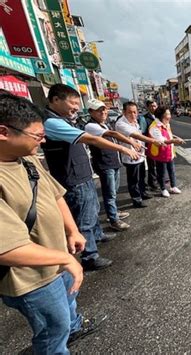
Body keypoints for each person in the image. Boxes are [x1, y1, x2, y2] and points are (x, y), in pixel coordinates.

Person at [0, 93, 101, 353]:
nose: (43, 141)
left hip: (58, 256)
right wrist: (65, 260)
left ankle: (74, 327)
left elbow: (54, 194)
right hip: (31, 276)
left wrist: (72, 229)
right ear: (4, 132)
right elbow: (7, 249)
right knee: (53, 330)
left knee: (68, 306)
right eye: (37, 135)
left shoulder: (27, 157)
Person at [42, 84, 140, 271]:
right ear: (55, 100)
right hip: (73, 177)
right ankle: (89, 256)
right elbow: (92, 139)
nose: (76, 108)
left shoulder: (63, 119)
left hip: (82, 174)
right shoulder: (52, 123)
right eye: (72, 103)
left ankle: (97, 234)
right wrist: (123, 147)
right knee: (84, 218)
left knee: (93, 208)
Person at [85, 99, 142, 231]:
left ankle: (114, 212)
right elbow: (113, 134)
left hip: (113, 162)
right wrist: (131, 144)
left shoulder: (104, 124)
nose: (103, 112)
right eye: (99, 110)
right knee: (109, 193)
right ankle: (113, 219)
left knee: (114, 191)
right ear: (91, 112)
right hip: (105, 164)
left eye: (104, 109)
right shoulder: (91, 126)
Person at [115, 102, 164, 208]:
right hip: (130, 156)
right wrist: (153, 141)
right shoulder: (121, 124)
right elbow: (136, 135)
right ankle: (136, 199)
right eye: (130, 112)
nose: (133, 115)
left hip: (140, 155)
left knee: (141, 176)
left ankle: (143, 193)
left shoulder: (135, 122)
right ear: (124, 112)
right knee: (134, 180)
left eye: (135, 112)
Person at [149, 107, 185, 198]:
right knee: (161, 173)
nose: (170, 116)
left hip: (169, 152)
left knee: (171, 170)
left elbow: (169, 135)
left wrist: (176, 138)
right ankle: (163, 189)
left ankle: (173, 186)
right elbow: (161, 140)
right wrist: (174, 141)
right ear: (162, 116)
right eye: (168, 114)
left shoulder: (166, 124)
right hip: (160, 153)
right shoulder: (154, 127)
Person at [142, 100, 159, 191]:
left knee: (159, 163)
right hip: (150, 144)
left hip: (160, 144)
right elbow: (143, 133)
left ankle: (159, 180)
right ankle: (152, 183)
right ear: (148, 107)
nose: (154, 108)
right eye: (151, 106)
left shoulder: (159, 117)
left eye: (155, 106)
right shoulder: (144, 118)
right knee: (152, 164)